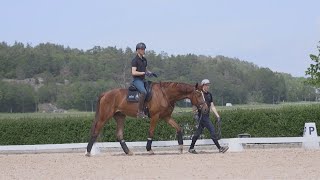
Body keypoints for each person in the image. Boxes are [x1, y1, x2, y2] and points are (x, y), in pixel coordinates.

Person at [189, 79, 229, 154]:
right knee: (212, 130)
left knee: (198, 133)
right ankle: (220, 148)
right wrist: (195, 113)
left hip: (206, 116)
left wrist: (217, 116)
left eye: (208, 85)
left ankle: (191, 148)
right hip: (202, 116)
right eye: (206, 85)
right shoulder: (200, 94)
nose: (208, 86)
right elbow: (194, 105)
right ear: (202, 85)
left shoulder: (209, 95)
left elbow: (212, 106)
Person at [131, 42, 155, 118]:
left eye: (144, 49)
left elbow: (145, 69)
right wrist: (144, 73)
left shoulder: (144, 60)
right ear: (137, 50)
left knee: (152, 90)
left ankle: (147, 109)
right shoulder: (135, 60)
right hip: (137, 80)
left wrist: (150, 73)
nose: (143, 50)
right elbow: (133, 72)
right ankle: (139, 112)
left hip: (143, 80)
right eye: (142, 49)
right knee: (144, 92)